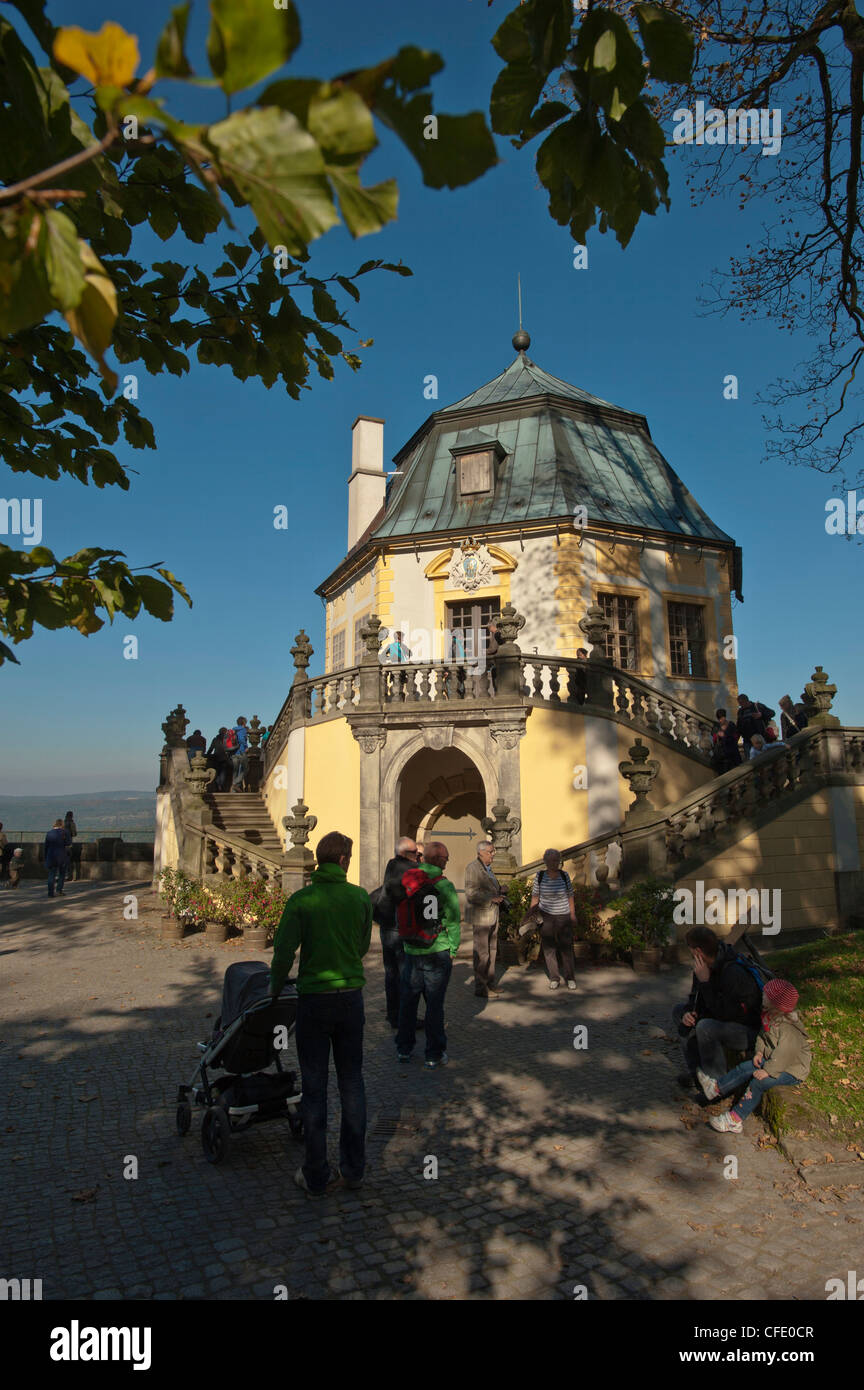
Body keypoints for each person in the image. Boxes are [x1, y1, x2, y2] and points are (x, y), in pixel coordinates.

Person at [269, 831, 372, 1198]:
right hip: (351, 998)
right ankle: (354, 1170)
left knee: (314, 1088)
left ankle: (315, 1174)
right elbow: (361, 945)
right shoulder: (359, 897)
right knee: (352, 1083)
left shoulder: (302, 899)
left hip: (314, 999)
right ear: (344, 860)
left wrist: (274, 988)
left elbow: (283, 952)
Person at [703, 979, 812, 1133]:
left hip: (792, 1069)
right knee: (745, 1067)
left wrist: (768, 1071)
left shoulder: (788, 1028)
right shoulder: (770, 1017)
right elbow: (762, 1036)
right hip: (774, 1061)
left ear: (776, 1003)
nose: (763, 996)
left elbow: (785, 1054)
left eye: (766, 995)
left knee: (759, 1082)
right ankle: (716, 1088)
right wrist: (759, 1052)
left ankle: (735, 1119)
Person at [395, 841, 461, 1069]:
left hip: (412, 950)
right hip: (437, 950)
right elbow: (453, 921)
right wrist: (453, 948)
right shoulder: (444, 885)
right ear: (438, 860)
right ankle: (434, 1054)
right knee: (434, 1005)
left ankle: (403, 1049)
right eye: (446, 858)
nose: (447, 861)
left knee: (408, 1003)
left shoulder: (408, 880)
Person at [672, 926, 763, 1088]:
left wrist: (706, 983)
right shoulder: (702, 966)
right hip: (723, 1016)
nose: (691, 954)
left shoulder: (732, 971)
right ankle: (698, 1075)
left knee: (705, 1027)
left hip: (747, 1029)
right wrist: (689, 1012)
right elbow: (696, 999)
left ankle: (717, 1086)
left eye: (691, 949)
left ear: (698, 951)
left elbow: (727, 1014)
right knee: (679, 1012)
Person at [373, 837, 422, 1028]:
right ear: (404, 854)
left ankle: (393, 1015)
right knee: (406, 975)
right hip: (400, 928)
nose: (417, 856)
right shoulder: (410, 870)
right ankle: (405, 1019)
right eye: (414, 853)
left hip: (387, 927)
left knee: (391, 974)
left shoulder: (391, 865)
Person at [529, 849, 577, 990]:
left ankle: (570, 977)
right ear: (545, 861)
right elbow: (535, 897)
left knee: (566, 948)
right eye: (551, 861)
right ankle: (554, 977)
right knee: (549, 948)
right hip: (546, 916)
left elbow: (570, 896)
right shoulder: (540, 876)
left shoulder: (564, 875)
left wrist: (573, 914)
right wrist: (532, 913)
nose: (554, 863)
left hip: (563, 915)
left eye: (556, 860)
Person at [464, 840, 505, 997]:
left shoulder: (488, 868)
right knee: (482, 953)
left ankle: (490, 982)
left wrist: (500, 889)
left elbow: (489, 888)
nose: (493, 854)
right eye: (490, 852)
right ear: (481, 852)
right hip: (481, 916)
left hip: (492, 915)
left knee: (492, 951)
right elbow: (471, 893)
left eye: (493, 851)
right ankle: (481, 987)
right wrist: (491, 898)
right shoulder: (472, 868)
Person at [711, 708, 742, 774]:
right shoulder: (716, 727)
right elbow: (714, 739)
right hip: (721, 754)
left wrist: (725, 736)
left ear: (725, 717)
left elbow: (736, 736)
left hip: (732, 752)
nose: (720, 720)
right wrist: (717, 736)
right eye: (719, 719)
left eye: (722, 718)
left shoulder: (731, 725)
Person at [45, 818, 69, 898]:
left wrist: (46, 857)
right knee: (62, 874)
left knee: (51, 875)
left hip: (51, 856)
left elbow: (46, 846)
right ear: (62, 824)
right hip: (62, 856)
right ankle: (59, 890)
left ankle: (50, 893)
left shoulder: (49, 833)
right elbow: (68, 843)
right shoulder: (65, 832)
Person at [207, 727, 232, 792]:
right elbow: (230, 749)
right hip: (224, 758)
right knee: (223, 772)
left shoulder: (215, 739)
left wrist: (207, 755)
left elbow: (211, 748)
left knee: (217, 772)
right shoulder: (227, 739)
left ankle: (218, 785)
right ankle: (220, 785)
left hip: (216, 757)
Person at [230, 716, 249, 791]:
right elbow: (241, 739)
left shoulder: (233, 729)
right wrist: (246, 746)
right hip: (241, 751)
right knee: (245, 769)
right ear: (244, 722)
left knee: (235, 770)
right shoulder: (243, 729)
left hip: (233, 752)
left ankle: (233, 790)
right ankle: (235, 783)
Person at [64, 810, 83, 881]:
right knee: (70, 860)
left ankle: (64, 875)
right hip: (69, 844)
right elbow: (74, 833)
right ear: (71, 816)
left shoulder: (63, 823)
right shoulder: (71, 823)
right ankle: (71, 876)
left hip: (62, 844)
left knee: (64, 860)